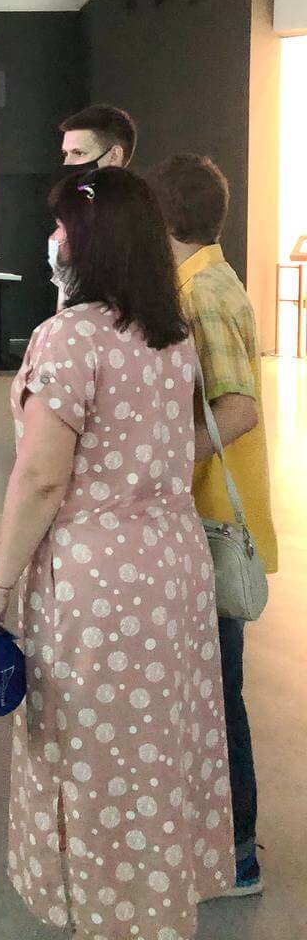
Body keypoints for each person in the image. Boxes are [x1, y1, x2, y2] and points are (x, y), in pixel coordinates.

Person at [0, 166, 234, 940]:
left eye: (61, 227)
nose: (51, 239)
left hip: (95, 578)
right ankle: (155, 903)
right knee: (157, 742)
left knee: (91, 749)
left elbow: (42, 477)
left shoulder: (71, 335)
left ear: (88, 241)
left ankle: (107, 912)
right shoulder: (168, 333)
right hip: (171, 562)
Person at [151, 152, 278, 898]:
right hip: (205, 517)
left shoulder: (201, 291)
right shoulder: (202, 280)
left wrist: (163, 459)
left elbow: (238, 407)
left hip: (210, 521)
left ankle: (238, 854)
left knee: (217, 691)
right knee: (209, 688)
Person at [51, 105, 137, 305]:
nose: (68, 163)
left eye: (78, 153)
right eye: (65, 154)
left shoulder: (137, 220)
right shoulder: (73, 213)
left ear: (114, 156)